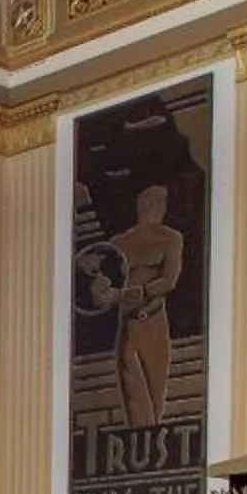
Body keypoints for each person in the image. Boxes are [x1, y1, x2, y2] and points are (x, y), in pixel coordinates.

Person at [83, 183, 184, 427]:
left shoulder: (170, 238)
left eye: (159, 202)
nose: (154, 207)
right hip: (128, 326)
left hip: (154, 322)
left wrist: (143, 291)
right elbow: (100, 281)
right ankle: (138, 441)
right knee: (132, 396)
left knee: (155, 393)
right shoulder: (119, 242)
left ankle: (151, 451)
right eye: (150, 202)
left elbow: (169, 280)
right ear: (141, 205)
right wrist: (106, 291)